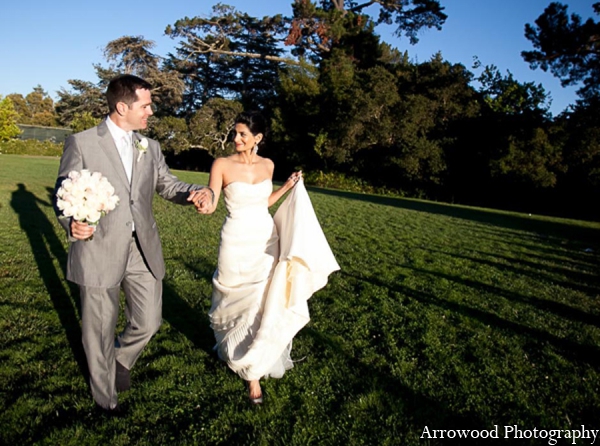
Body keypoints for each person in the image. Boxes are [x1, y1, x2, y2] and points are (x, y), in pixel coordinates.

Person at [53, 74, 213, 415]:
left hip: (143, 247)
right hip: (97, 247)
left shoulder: (149, 147)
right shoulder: (81, 143)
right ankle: (105, 400)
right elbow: (63, 192)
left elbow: (167, 185)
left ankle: (121, 358)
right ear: (122, 107)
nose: (151, 112)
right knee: (98, 329)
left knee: (150, 320)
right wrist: (73, 222)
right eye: (146, 105)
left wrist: (195, 192)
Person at [197, 111, 339, 404]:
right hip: (235, 242)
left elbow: (263, 203)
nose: (235, 139)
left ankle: (254, 375)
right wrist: (204, 203)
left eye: (242, 135)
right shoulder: (221, 164)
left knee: (261, 305)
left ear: (257, 138)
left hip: (264, 241)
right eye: (235, 133)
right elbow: (212, 199)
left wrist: (286, 187)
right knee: (232, 302)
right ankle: (234, 352)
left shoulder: (269, 165)